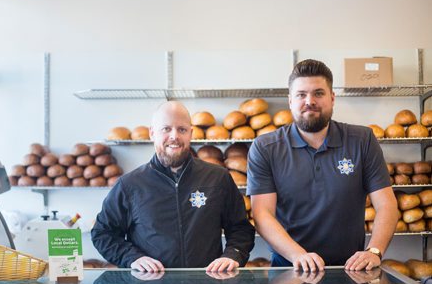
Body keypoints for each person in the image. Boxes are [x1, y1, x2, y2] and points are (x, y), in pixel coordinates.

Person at [247, 59, 398, 272]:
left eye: (318, 93)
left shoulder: (362, 140)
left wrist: (374, 251)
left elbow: (386, 205)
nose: (310, 101)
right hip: (289, 267)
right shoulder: (265, 147)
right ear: (290, 101)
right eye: (301, 94)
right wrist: (298, 255)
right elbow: (262, 214)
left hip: (351, 269)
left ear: (332, 98)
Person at [92, 101, 255, 272]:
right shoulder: (130, 185)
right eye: (166, 129)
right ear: (152, 133)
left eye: (182, 129)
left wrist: (233, 254)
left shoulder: (217, 178)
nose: (174, 136)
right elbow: (103, 233)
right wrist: (131, 257)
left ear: (191, 134)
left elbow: (241, 228)